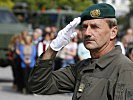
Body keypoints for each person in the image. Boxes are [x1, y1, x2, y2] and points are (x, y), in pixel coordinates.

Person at [28, 3, 133, 100]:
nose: (87, 33)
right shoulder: (83, 67)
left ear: (113, 32)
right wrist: (53, 49)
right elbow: (39, 85)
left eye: (95, 27)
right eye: (84, 27)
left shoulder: (125, 69)